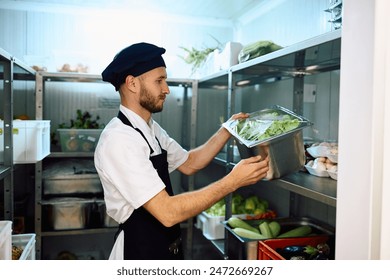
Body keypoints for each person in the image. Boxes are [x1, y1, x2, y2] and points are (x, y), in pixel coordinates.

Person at [95, 42, 269, 260]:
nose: (166, 89)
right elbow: (167, 213)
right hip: (137, 253)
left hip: (164, 247)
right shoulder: (119, 140)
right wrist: (231, 182)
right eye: (159, 80)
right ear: (132, 83)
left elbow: (190, 163)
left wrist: (227, 129)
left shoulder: (151, 129)